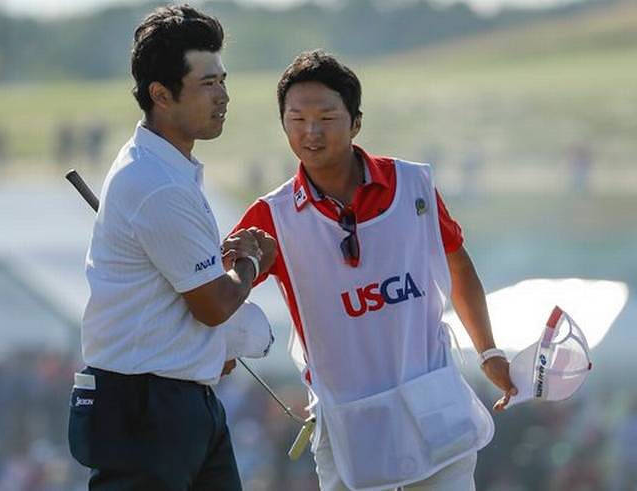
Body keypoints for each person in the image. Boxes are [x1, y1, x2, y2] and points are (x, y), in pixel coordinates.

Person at [231, 50, 516, 490]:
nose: (310, 132)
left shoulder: (413, 184)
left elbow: (457, 261)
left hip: (433, 407)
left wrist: (489, 352)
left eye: (326, 117)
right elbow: (219, 292)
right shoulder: (272, 215)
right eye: (296, 119)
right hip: (348, 426)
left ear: (355, 122)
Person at [67, 5, 276, 490]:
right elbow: (212, 305)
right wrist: (249, 260)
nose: (223, 96)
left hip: (180, 401)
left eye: (223, 80)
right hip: (143, 408)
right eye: (207, 84)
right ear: (161, 94)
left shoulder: (166, 169)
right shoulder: (155, 180)